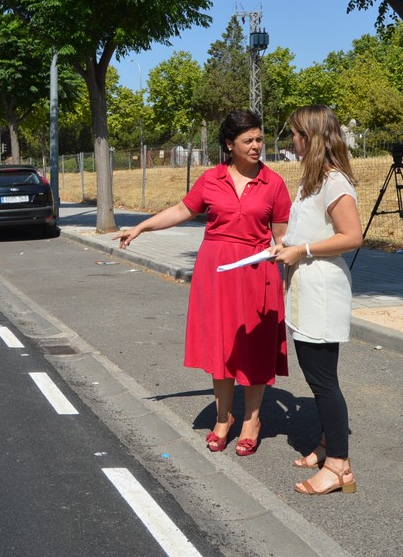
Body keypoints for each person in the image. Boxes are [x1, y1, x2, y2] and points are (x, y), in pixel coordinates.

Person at [115, 110, 290, 456]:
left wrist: (282, 260)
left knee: (254, 349)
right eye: (248, 141)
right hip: (216, 273)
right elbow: (182, 210)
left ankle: (252, 421)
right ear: (229, 144)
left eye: (259, 139)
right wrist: (141, 227)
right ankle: (223, 418)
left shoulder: (274, 183)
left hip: (257, 274)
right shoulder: (211, 179)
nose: (256, 146)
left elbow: (282, 236)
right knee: (222, 347)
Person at [271, 105, 362, 495]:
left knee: (323, 382)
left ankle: (339, 467)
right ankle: (327, 445)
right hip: (305, 289)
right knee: (318, 377)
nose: (292, 140)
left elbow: (352, 237)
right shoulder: (311, 180)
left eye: (296, 134)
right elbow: (307, 231)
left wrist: (301, 249)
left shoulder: (334, 182)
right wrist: (284, 245)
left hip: (322, 292)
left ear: (312, 137)